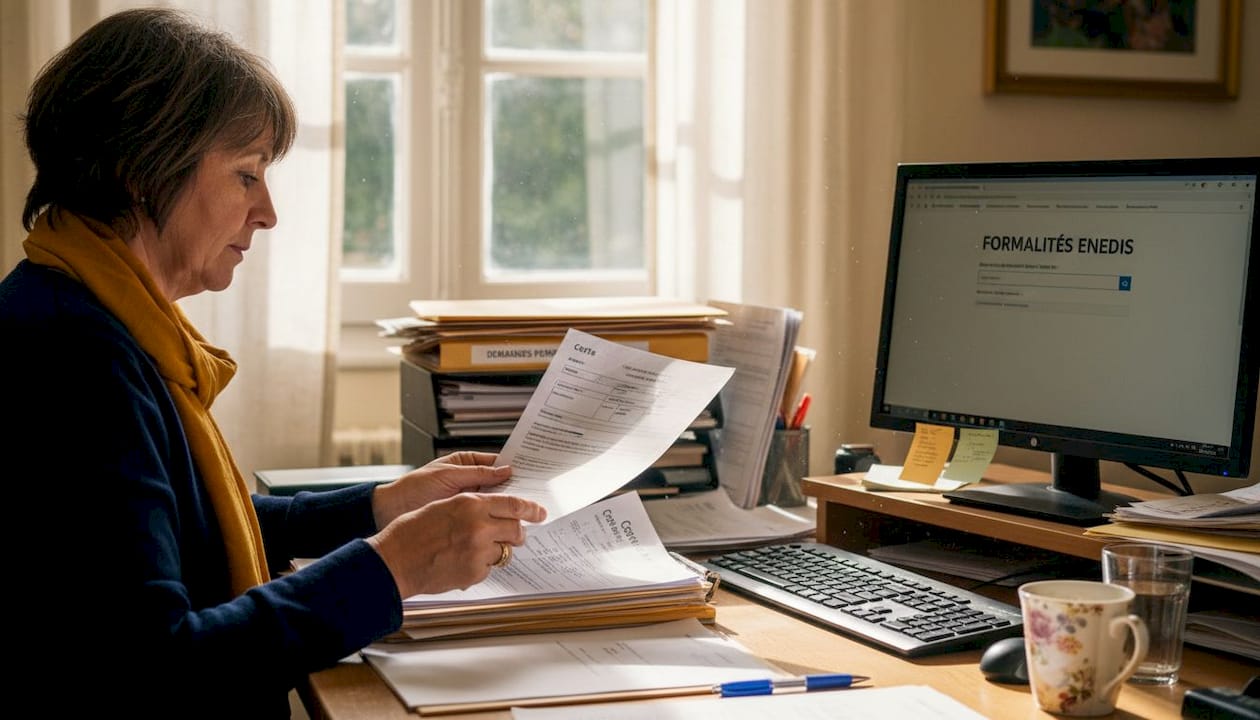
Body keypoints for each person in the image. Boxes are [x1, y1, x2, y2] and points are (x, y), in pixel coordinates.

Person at [0, 8, 546, 717]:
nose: (268, 212)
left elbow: (176, 533)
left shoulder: (85, 312)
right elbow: (159, 666)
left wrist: (383, 505)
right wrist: (393, 567)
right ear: (143, 170)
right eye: (246, 175)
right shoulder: (73, 356)